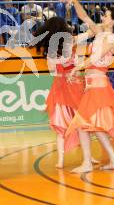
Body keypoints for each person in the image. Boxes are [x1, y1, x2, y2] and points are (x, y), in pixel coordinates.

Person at [60, 0, 114, 173]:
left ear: (113, 21)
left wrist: (76, 68)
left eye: (106, 16)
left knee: (82, 124)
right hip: (92, 85)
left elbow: (95, 58)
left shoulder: (111, 39)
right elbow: (84, 17)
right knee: (93, 126)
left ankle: (87, 162)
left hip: (98, 87)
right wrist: (74, 0)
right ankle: (113, 161)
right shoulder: (100, 33)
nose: (102, 18)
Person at [33, 17, 86, 168]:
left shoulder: (51, 48)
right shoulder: (70, 40)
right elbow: (87, 34)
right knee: (81, 122)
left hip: (59, 86)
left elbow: (52, 72)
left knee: (60, 125)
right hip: (74, 84)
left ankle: (60, 161)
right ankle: (87, 157)